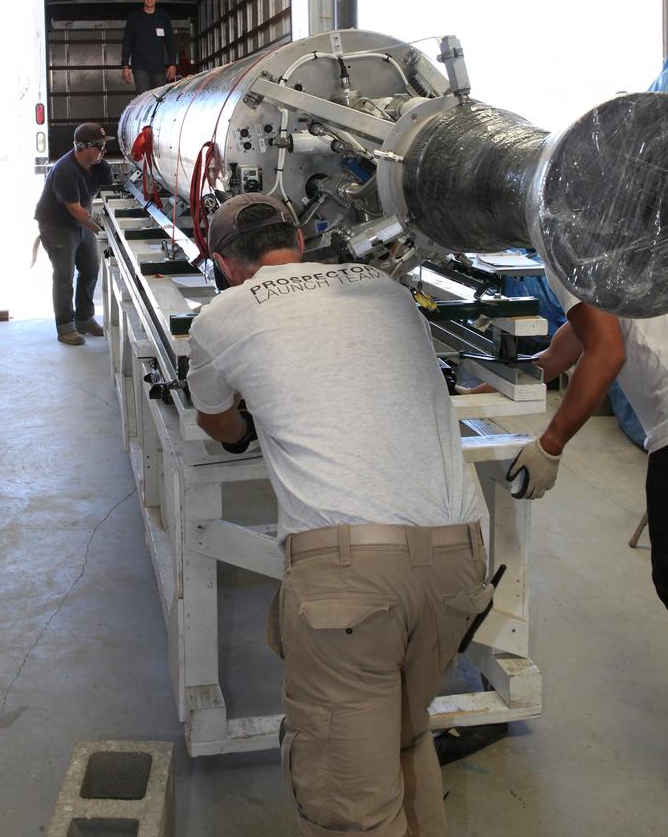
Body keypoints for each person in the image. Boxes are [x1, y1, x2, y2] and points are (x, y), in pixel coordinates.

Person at [186, 194, 489, 837]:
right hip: (459, 560)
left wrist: (249, 422)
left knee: (350, 804)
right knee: (405, 744)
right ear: (298, 234)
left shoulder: (223, 315)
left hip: (352, 582)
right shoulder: (387, 289)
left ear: (224, 263)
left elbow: (218, 424)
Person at [507, 270, 668, 609]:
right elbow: (551, 361)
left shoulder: (567, 255)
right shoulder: (622, 274)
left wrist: (549, 446)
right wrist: (462, 397)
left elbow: (607, 354)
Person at [33, 122, 112, 345]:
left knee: (90, 268)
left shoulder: (101, 166)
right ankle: (65, 326)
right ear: (82, 147)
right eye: (99, 147)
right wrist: (103, 232)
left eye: (104, 146)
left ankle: (85, 318)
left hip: (80, 222)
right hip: (56, 225)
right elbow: (75, 209)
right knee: (64, 275)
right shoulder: (65, 170)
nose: (103, 152)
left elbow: (111, 197)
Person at [121, 0, 176, 92]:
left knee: (159, 98)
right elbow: (127, 42)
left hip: (159, 66)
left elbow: (170, 42)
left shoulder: (163, 17)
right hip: (140, 66)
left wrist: (172, 64)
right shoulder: (134, 17)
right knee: (144, 96)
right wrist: (125, 66)